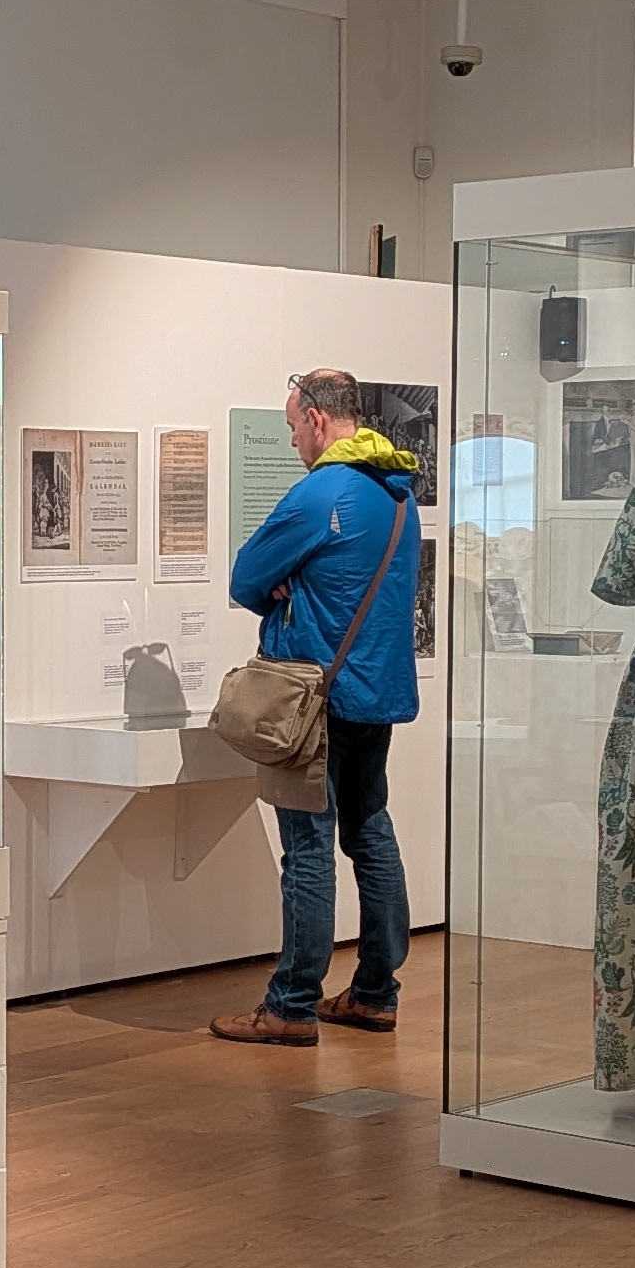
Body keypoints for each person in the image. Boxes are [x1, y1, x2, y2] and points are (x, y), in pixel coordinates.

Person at [214, 367, 420, 1046]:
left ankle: (292, 1004)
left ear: (319, 421)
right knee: (370, 832)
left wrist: (285, 586)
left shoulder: (319, 492)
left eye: (293, 427)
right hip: (376, 693)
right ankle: (375, 993)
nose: (294, 440)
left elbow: (247, 577)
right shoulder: (398, 494)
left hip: (316, 698)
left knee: (307, 849)